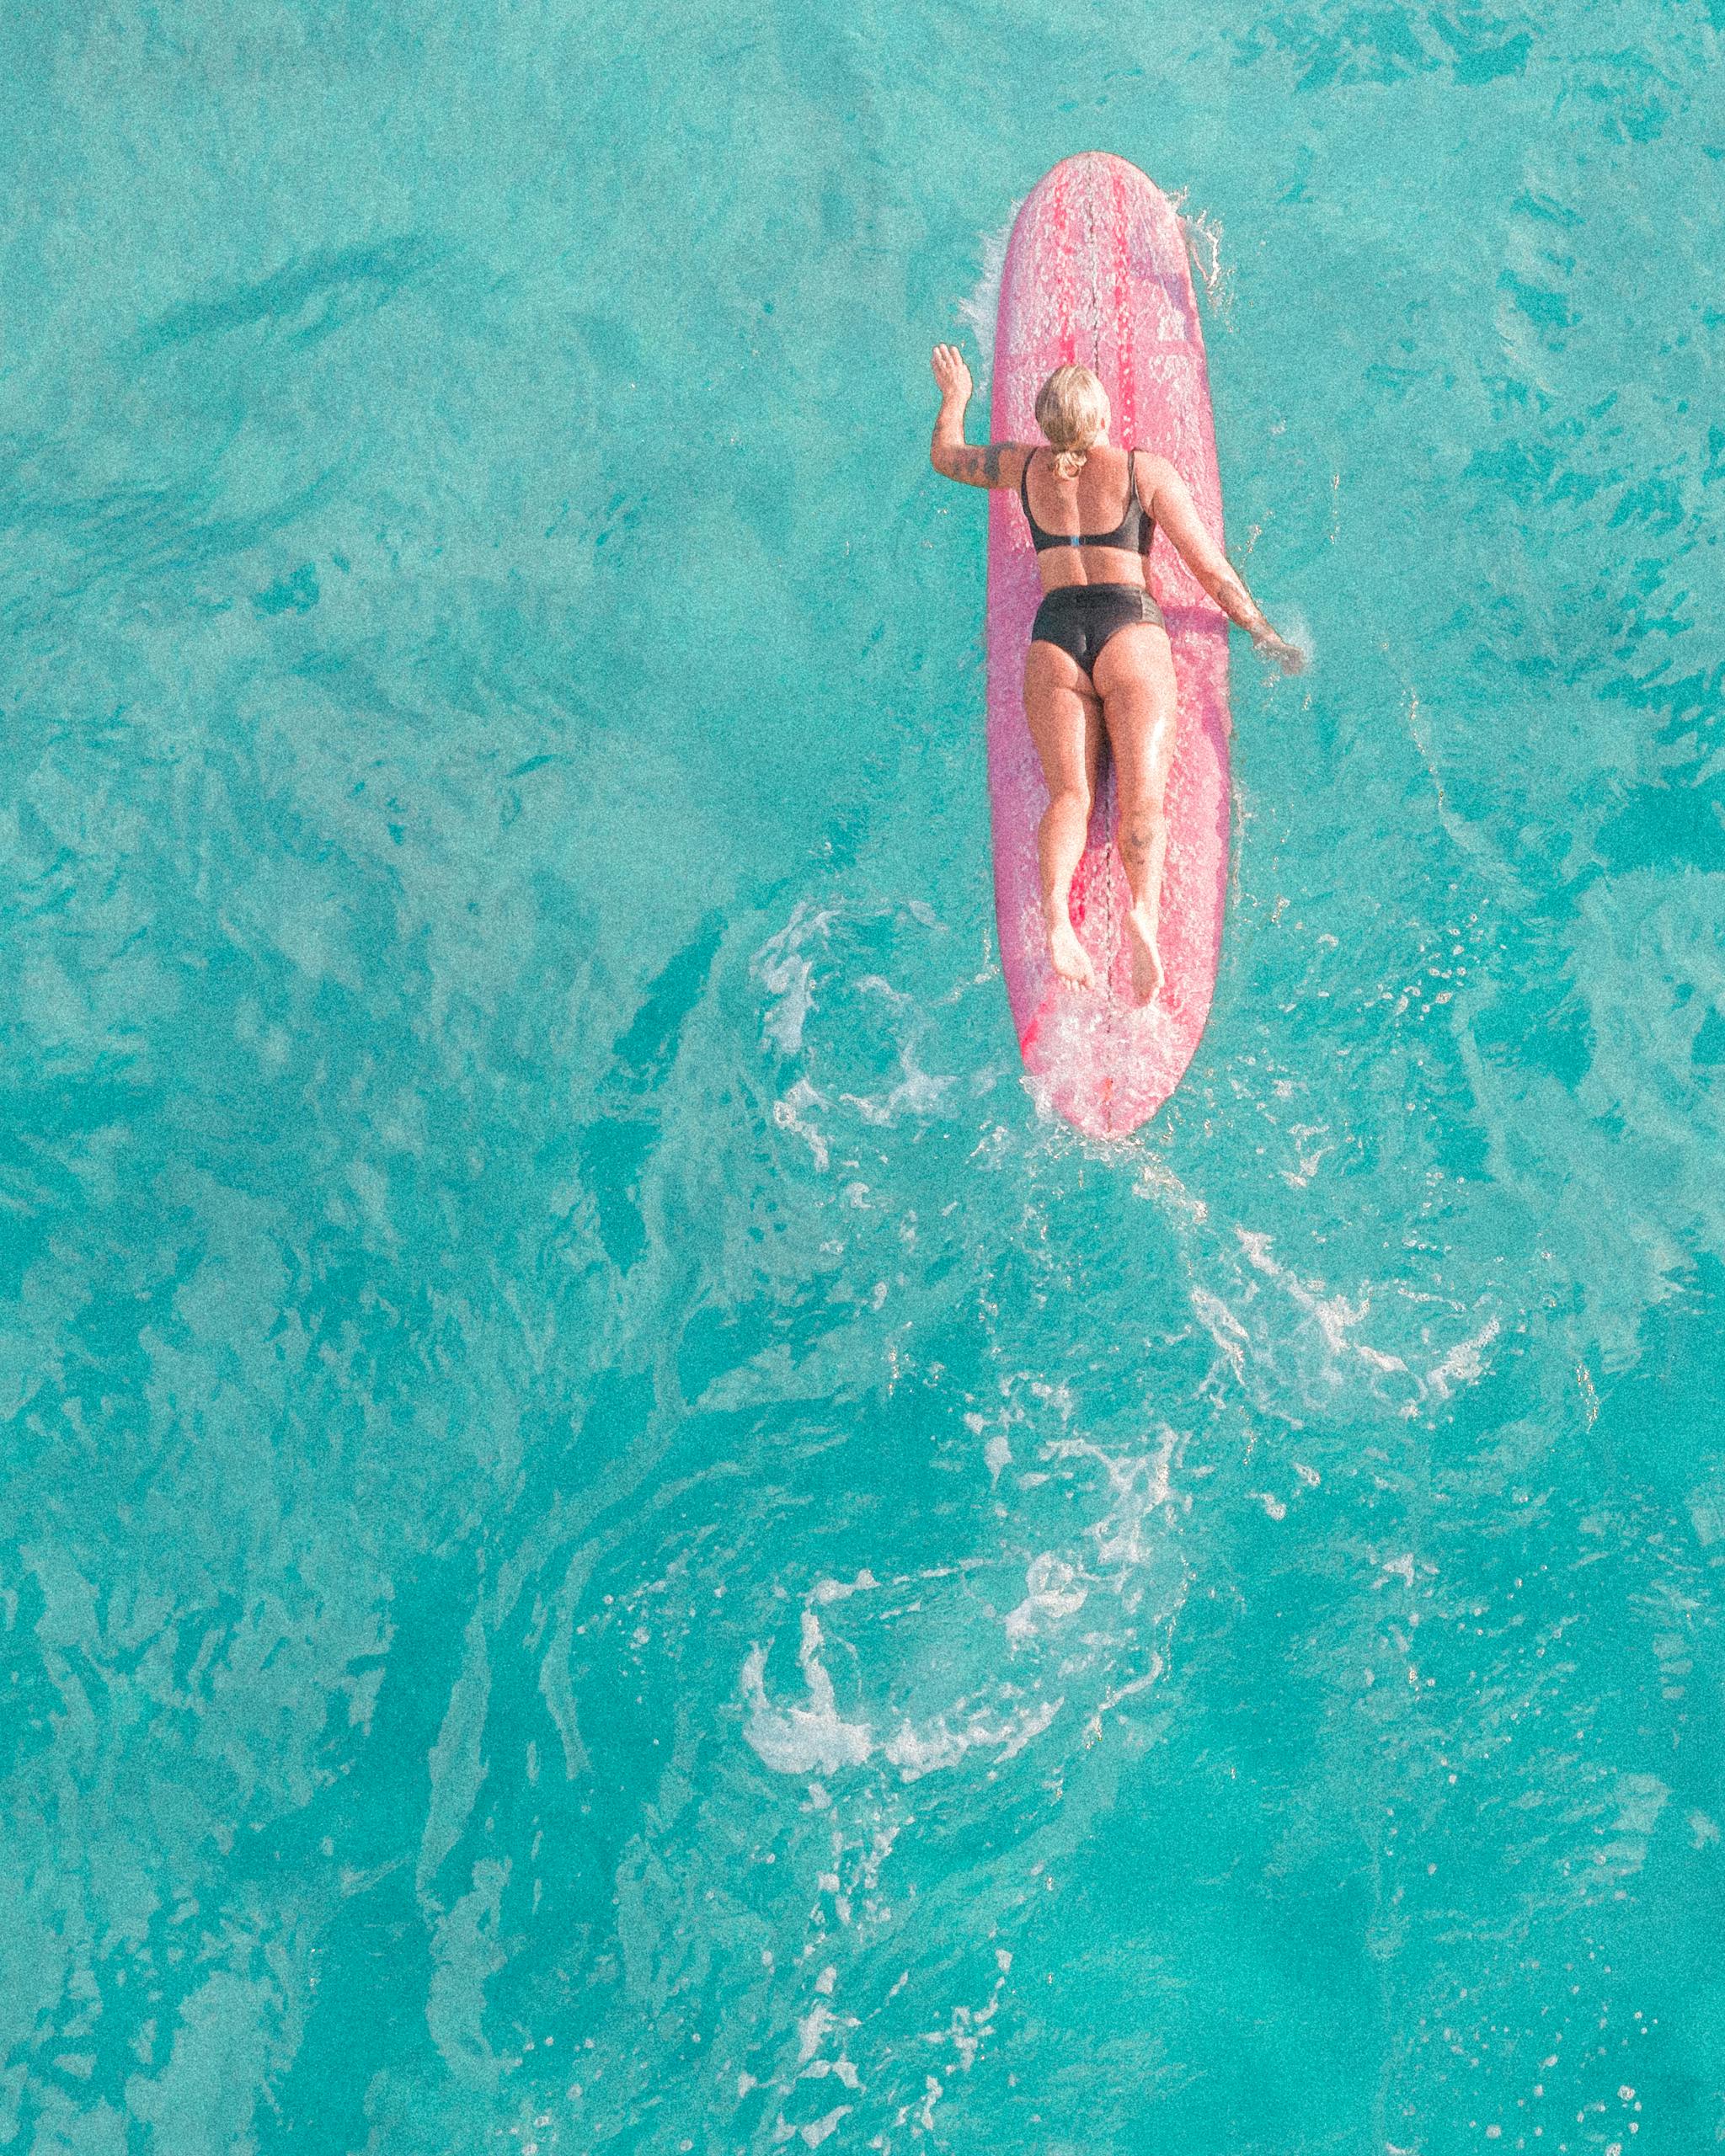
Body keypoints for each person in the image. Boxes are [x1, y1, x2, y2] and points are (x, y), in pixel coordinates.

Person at [930, 345, 1306, 1004]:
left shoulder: (1022, 467)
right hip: (1128, 632)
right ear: (1101, 416)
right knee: (1142, 800)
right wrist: (1266, 636)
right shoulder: (1142, 472)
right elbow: (1211, 572)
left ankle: (1055, 920)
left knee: (1071, 796)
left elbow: (947, 456)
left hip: (1055, 639)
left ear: (1047, 424)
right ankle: (1142, 913)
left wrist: (955, 395)